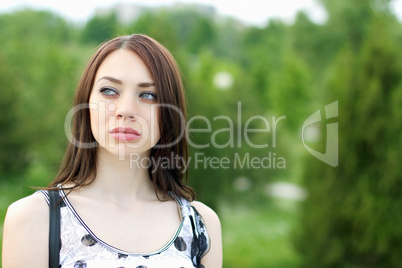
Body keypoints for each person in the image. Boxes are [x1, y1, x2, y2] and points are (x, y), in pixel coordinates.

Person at [2, 34, 222, 268]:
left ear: (169, 114)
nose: (126, 110)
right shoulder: (36, 219)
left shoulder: (200, 224)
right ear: (86, 104)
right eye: (109, 91)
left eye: (148, 95)